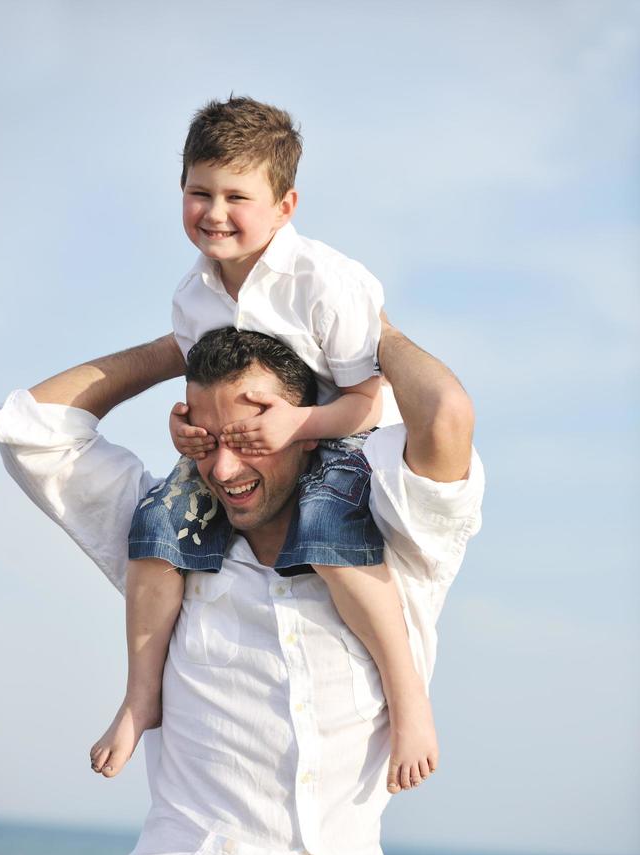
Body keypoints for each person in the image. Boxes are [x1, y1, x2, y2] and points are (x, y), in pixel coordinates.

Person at [0, 318, 483, 855]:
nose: (225, 468)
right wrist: (177, 349)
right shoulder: (164, 545)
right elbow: (31, 430)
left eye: (250, 438)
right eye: (208, 438)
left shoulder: (400, 553)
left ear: (304, 429)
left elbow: (446, 415)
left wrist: (367, 327)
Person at [89, 96, 436, 795]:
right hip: (241, 445)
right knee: (157, 526)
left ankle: (411, 702)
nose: (214, 213)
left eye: (236, 196)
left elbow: (370, 398)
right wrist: (183, 430)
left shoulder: (325, 285)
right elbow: (199, 393)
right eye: (198, 193)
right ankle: (140, 694)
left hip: (337, 436)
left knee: (331, 531)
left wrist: (296, 427)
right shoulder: (192, 298)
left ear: (285, 205)